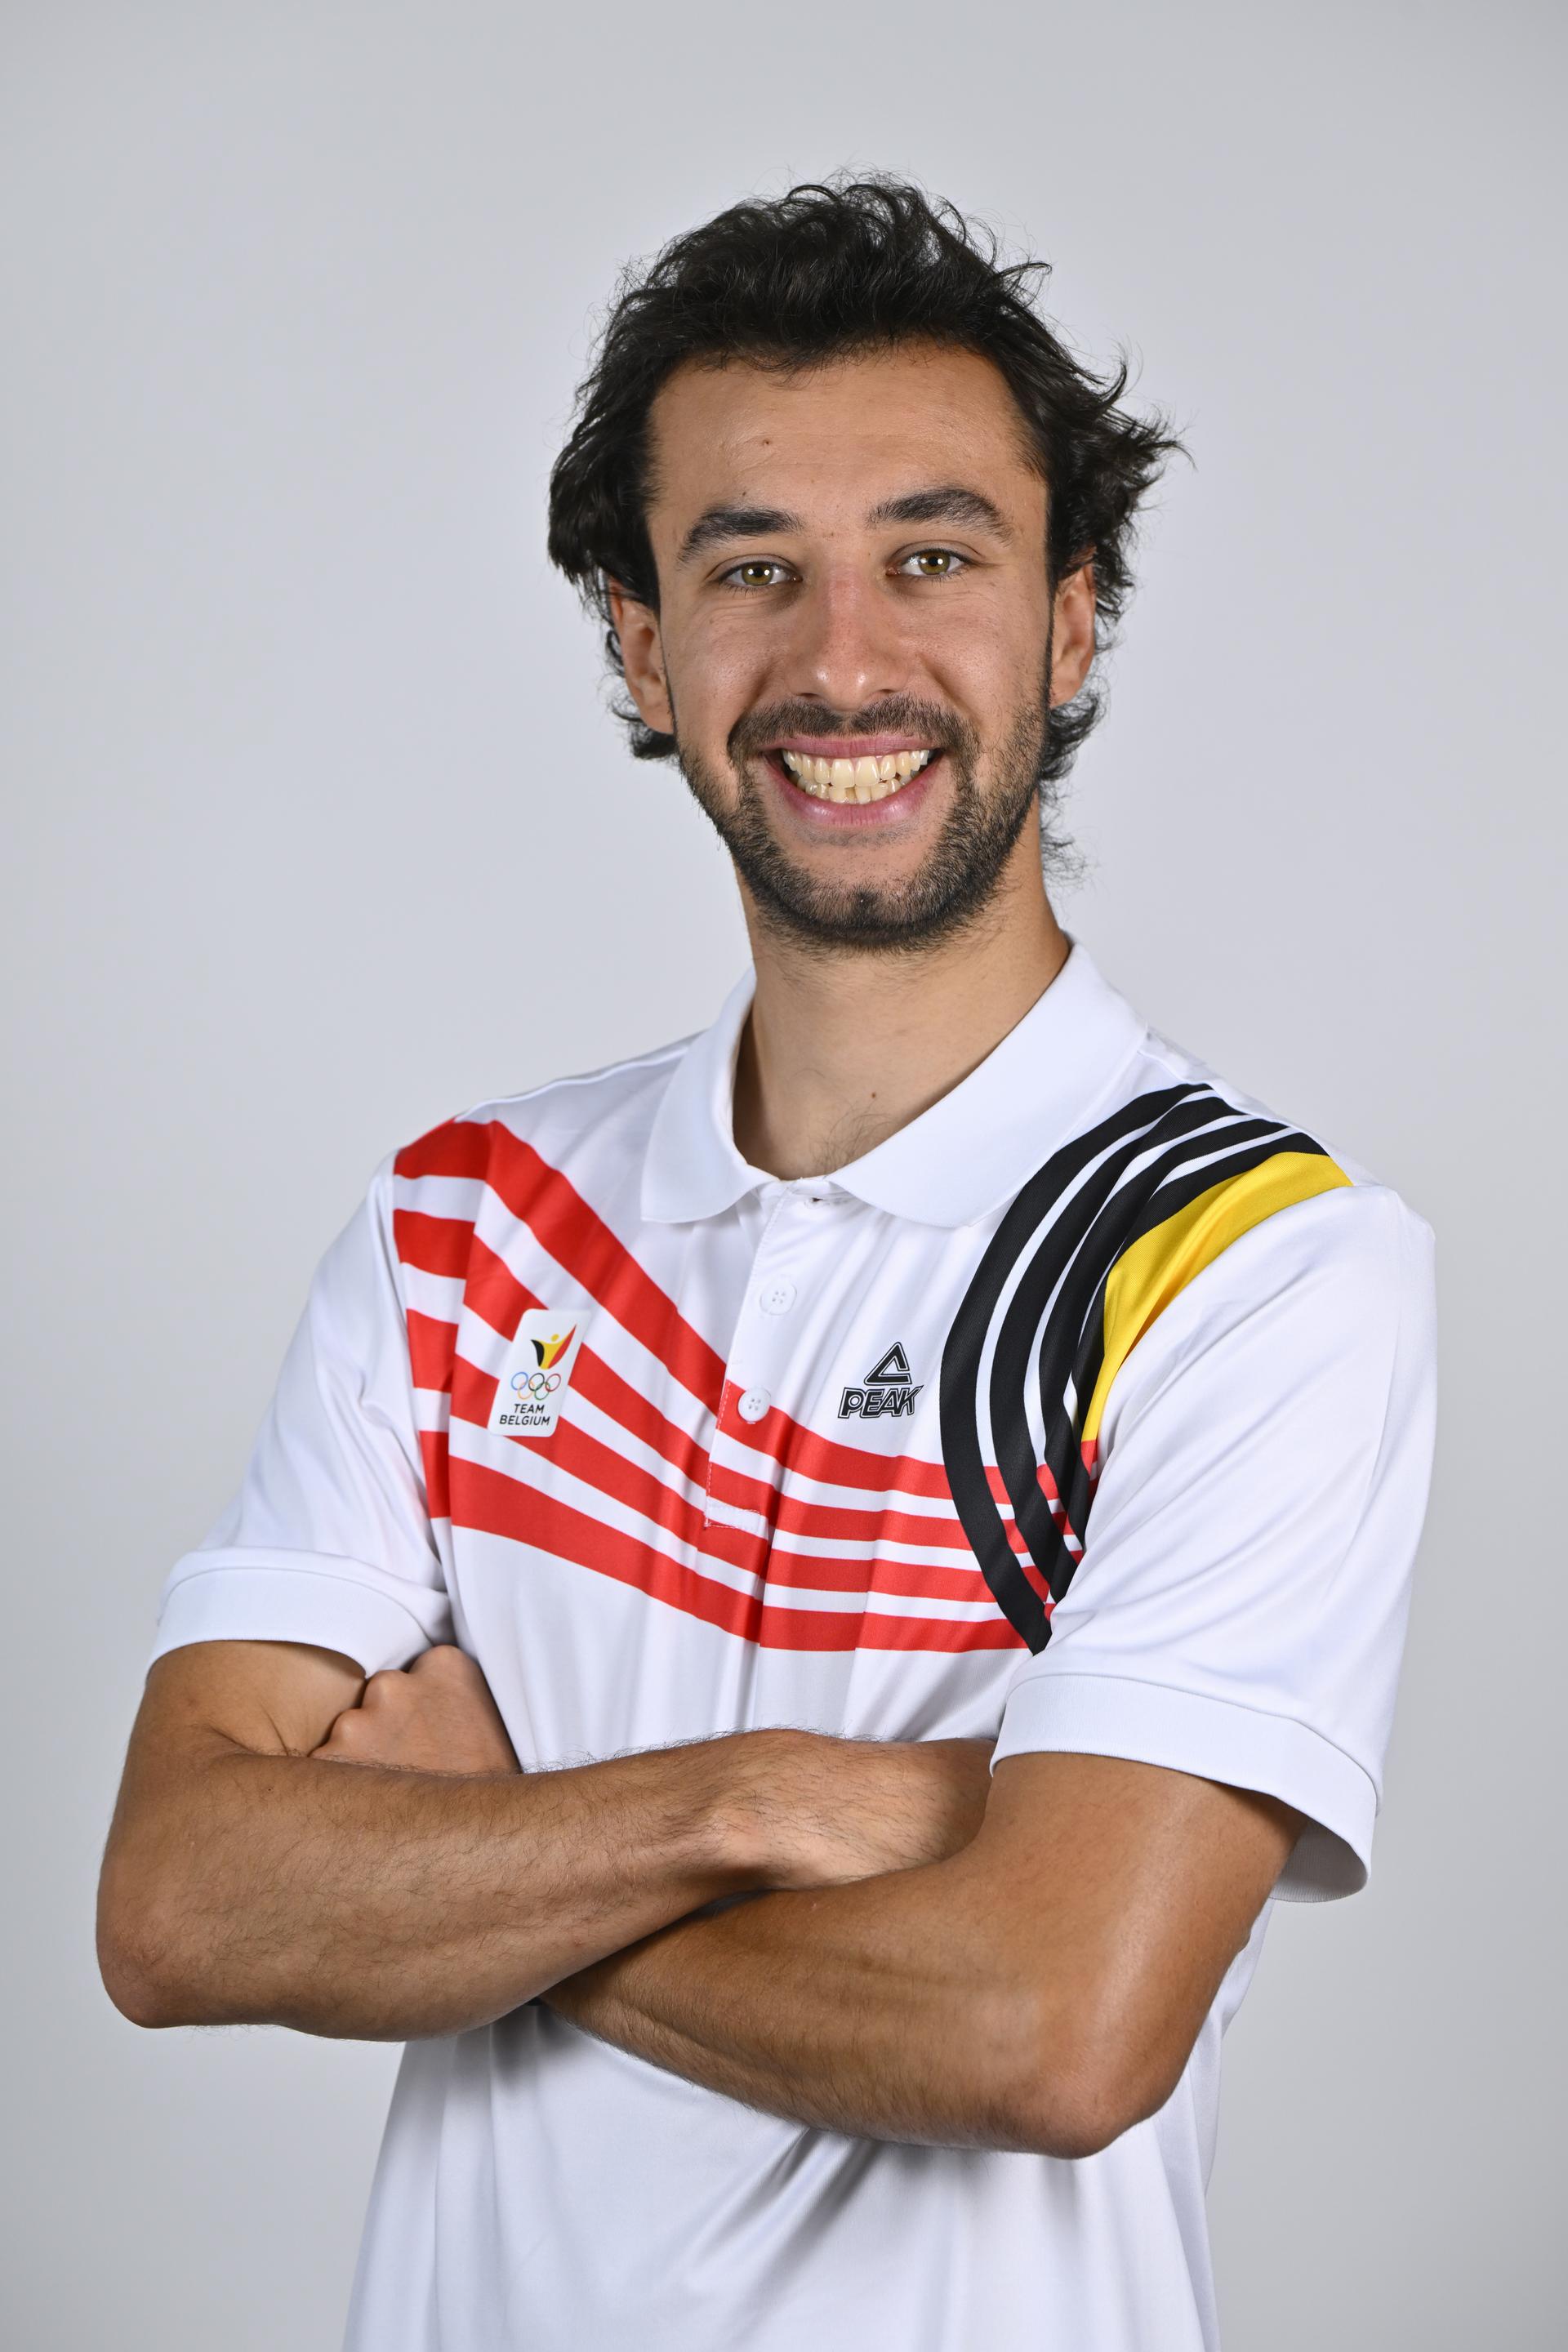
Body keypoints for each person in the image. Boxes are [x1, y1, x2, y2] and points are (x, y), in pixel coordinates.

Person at [96, 176, 1438, 2352]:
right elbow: (176, 1905)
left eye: (932, 556)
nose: (843, 661)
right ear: (644, 640)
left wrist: (490, 1856)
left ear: (1071, 623)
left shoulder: (1257, 1266)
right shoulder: (459, 1225)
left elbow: (1050, 2028)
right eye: (750, 569)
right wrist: (771, 1804)